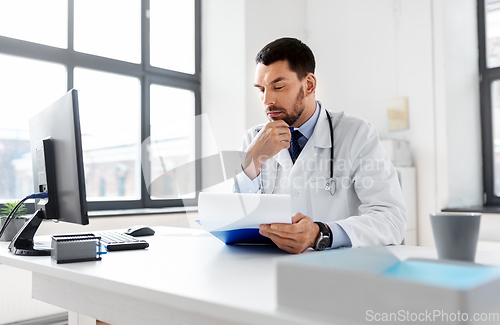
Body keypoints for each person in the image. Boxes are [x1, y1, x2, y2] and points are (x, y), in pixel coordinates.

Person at [234, 37, 406, 254]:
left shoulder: (357, 134)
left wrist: (322, 233)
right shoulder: (253, 140)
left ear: (309, 85)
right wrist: (252, 161)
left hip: (340, 272)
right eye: (261, 90)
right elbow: (233, 218)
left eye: (278, 86)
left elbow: (392, 220)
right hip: (271, 270)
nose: (267, 100)